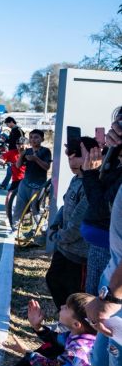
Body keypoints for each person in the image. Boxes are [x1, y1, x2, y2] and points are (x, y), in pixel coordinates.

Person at [45, 138, 94, 310]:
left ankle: (74, 327)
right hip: (63, 249)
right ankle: (64, 318)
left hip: (79, 254)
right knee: (53, 279)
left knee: (75, 295)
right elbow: (65, 205)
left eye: (77, 157)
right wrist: (55, 225)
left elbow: (77, 223)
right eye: (69, 158)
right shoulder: (75, 180)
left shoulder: (90, 185)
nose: (71, 162)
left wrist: (59, 237)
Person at [81, 106, 122, 297]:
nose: (115, 129)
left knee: (96, 306)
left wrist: (89, 174)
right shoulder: (113, 156)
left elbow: (101, 207)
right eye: (117, 124)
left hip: (109, 248)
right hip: (100, 243)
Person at [11, 130, 52, 232]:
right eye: (31, 137)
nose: (33, 139)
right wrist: (21, 154)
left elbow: (47, 167)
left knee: (36, 209)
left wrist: (36, 159)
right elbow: (18, 165)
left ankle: (43, 230)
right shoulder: (27, 151)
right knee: (19, 207)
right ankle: (15, 228)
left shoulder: (45, 151)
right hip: (25, 183)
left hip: (39, 185)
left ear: (42, 139)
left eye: (36, 137)